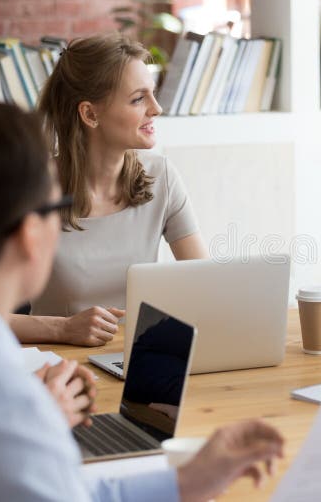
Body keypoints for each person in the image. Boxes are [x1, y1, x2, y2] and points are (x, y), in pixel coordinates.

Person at [0, 101, 284, 501]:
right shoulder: (0, 397)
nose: (156, 108)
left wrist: (185, 482)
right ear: (30, 234)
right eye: (56, 208)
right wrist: (31, 421)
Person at [10, 33, 207, 347]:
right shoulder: (32, 190)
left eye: (152, 94)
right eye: (138, 98)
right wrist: (62, 329)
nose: (156, 109)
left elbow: (205, 284)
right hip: (61, 370)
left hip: (139, 362)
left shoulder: (162, 176)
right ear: (90, 114)